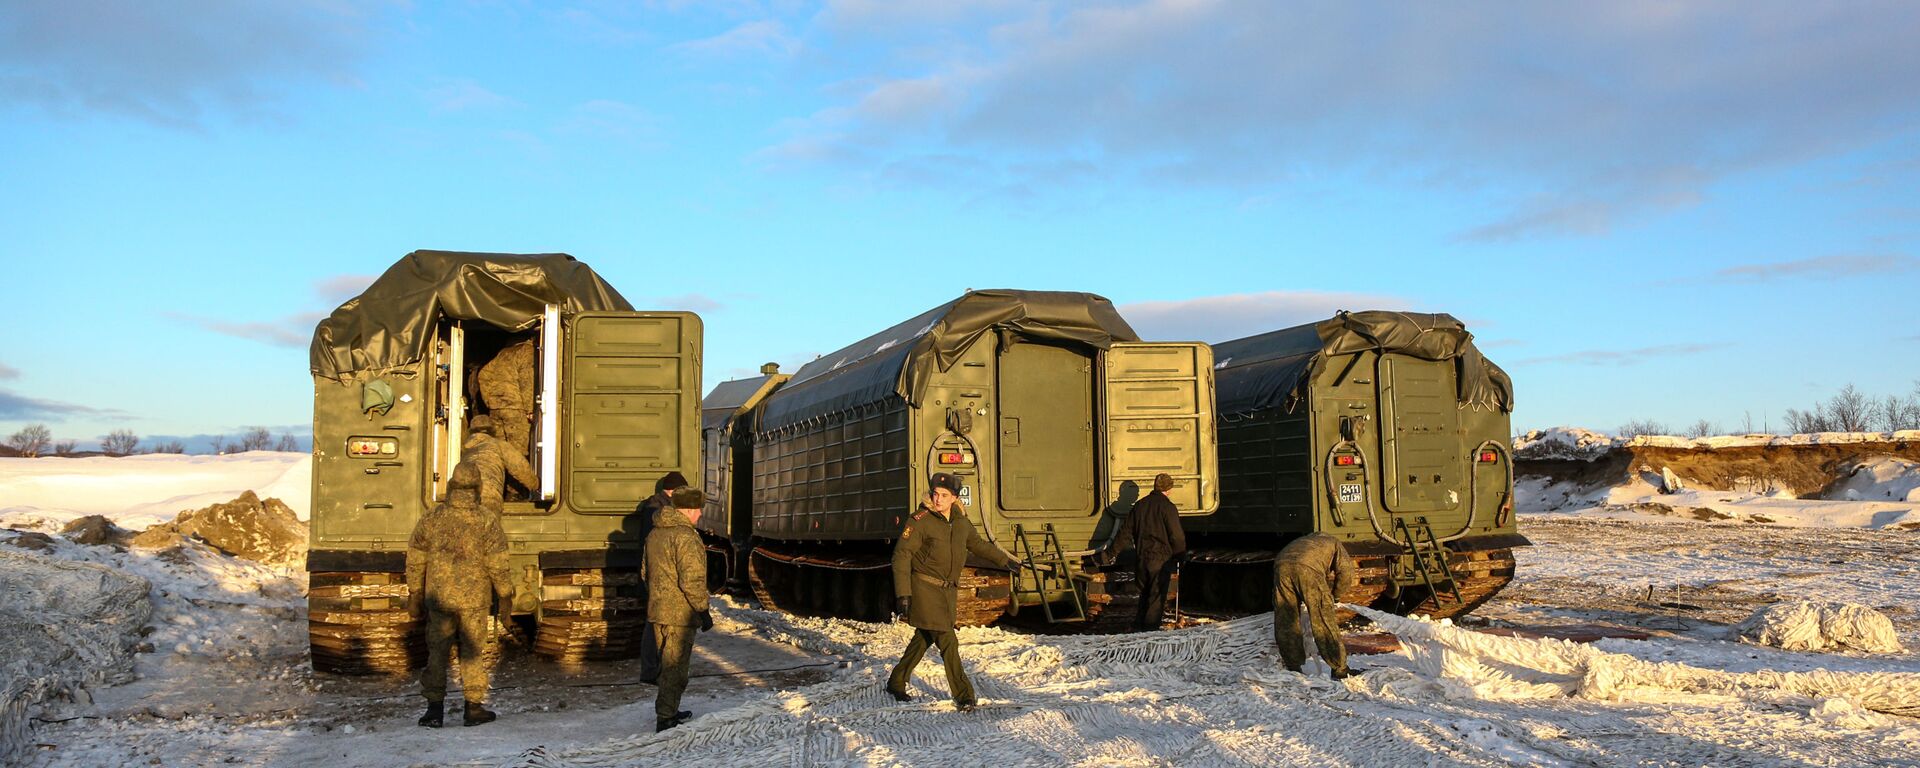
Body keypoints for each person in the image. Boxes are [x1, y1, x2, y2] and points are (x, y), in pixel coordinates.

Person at [887, 472, 1024, 711]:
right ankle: (964, 695)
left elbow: (978, 545)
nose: (937, 499)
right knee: (948, 640)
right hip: (924, 587)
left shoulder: (961, 522)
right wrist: (903, 593)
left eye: (943, 495)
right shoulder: (920, 520)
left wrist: (1005, 561)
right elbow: (902, 555)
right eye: (935, 494)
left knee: (925, 637)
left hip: (947, 591)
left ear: (954, 498)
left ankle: (896, 681)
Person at [407, 460, 514, 727]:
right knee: (473, 653)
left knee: (437, 654)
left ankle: (434, 711)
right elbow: (498, 563)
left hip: (439, 599)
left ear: (452, 485)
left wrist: (415, 593)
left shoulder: (432, 517)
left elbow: (416, 557)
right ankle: (473, 707)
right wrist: (505, 596)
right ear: (478, 487)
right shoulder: (487, 520)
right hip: (474, 602)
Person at [644, 486, 713, 732]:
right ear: (687, 510)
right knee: (675, 668)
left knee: (666, 664)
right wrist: (703, 611)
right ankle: (666, 718)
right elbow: (691, 580)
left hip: (657, 610)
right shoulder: (685, 536)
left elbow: (645, 572)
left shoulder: (655, 533)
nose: (699, 516)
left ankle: (669, 709)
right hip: (679, 615)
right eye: (697, 510)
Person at [1099, 472, 1187, 630]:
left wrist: (1110, 553)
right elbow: (1177, 536)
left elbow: (1124, 532)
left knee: (1144, 596)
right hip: (1160, 560)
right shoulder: (1168, 507)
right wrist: (1180, 556)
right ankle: (1149, 633)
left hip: (1140, 559)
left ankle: (1138, 628)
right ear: (1169, 489)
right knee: (1155, 598)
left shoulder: (1140, 506)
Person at [1271, 532, 1359, 680]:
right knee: (1323, 619)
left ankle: (1293, 666)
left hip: (1281, 565)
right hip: (1308, 569)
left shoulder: (1305, 540)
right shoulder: (1335, 542)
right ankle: (1339, 668)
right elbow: (1346, 572)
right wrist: (1335, 595)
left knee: (1286, 618)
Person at [634, 471, 690, 684]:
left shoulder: (655, 506)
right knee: (654, 625)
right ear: (674, 490)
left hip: (655, 575)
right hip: (658, 578)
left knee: (655, 624)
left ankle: (654, 670)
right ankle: (652, 671)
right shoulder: (657, 510)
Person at [476, 338, 537, 462]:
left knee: (499, 453)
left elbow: (483, 374)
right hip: (516, 410)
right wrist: (530, 409)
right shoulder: (527, 351)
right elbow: (527, 381)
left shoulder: (503, 353)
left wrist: (489, 400)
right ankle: (515, 482)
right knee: (517, 455)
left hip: (496, 409)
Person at [464, 415, 536, 507]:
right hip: (490, 496)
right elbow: (520, 469)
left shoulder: (464, 449)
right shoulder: (500, 445)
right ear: (492, 430)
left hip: (467, 498)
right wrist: (536, 485)